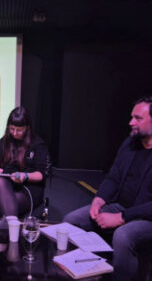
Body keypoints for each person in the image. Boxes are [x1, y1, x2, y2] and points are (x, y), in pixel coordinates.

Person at [63, 97, 152, 281]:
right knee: (71, 221)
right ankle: (89, 273)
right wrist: (99, 199)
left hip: (146, 216)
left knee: (123, 236)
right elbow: (114, 176)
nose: (131, 122)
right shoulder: (130, 143)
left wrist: (122, 217)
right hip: (121, 207)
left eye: (138, 118)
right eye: (131, 117)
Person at [0, 106, 48, 219]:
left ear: (27, 128)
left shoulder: (37, 145)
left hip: (28, 188)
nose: (14, 133)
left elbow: (41, 174)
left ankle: (7, 226)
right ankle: (12, 226)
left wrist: (25, 176)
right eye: (11, 129)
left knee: (5, 204)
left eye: (19, 130)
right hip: (5, 186)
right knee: (0, 181)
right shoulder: (3, 142)